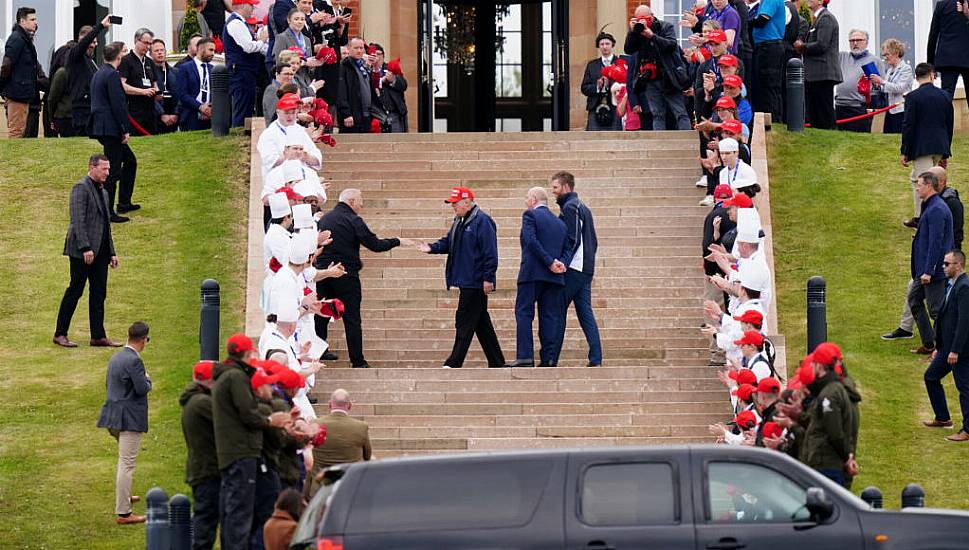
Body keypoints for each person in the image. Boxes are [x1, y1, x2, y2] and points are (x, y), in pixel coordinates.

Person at [212, 334, 293, 550]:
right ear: (248, 354)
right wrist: (270, 420)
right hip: (241, 451)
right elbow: (248, 413)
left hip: (233, 450)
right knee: (240, 512)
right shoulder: (236, 377)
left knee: (235, 511)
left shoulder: (225, 376)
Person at [418, 187, 506, 369]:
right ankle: (497, 362)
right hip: (465, 279)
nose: (453, 207)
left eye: (455, 203)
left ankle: (454, 361)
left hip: (475, 281)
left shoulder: (483, 221)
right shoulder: (459, 221)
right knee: (481, 323)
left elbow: (490, 253)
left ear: (467, 202)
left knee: (464, 320)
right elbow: (448, 242)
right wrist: (432, 247)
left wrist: (488, 277)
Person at [314, 189, 400, 368]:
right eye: (361, 201)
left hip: (322, 273)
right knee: (351, 317)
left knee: (320, 313)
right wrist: (396, 241)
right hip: (345, 274)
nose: (361, 205)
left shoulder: (325, 219)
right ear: (351, 201)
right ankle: (357, 360)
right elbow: (375, 245)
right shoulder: (353, 220)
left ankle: (318, 351)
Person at [54, 154, 121, 348]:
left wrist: (112, 252)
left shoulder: (104, 192)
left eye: (108, 169)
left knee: (99, 292)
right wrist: (85, 247)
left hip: (100, 251)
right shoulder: (80, 188)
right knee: (75, 290)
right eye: (104, 169)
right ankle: (60, 333)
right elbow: (77, 221)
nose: (107, 173)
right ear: (92, 167)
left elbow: (105, 225)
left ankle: (98, 336)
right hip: (81, 251)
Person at [507, 187, 570, 368]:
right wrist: (561, 263)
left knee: (524, 313)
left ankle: (525, 357)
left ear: (534, 199)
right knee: (549, 316)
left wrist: (549, 262)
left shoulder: (530, 216)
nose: (526, 202)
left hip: (532, 274)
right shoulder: (560, 223)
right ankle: (549, 358)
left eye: (527, 198)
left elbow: (530, 239)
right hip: (554, 277)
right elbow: (568, 248)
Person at [96, 321, 152, 525]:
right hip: (128, 419)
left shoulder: (116, 357)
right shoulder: (135, 361)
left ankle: (125, 497)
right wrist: (148, 379)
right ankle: (124, 513)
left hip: (112, 417)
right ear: (144, 340)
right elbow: (142, 388)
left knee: (123, 459)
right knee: (126, 463)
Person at [551, 172, 602, 367]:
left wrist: (564, 262)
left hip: (574, 268)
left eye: (555, 187)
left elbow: (573, 239)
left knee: (557, 311)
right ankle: (596, 357)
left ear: (565, 187)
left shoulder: (571, 207)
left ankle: (551, 358)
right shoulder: (583, 207)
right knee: (585, 313)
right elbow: (593, 241)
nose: (553, 192)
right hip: (585, 267)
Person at [87, 41, 137, 223]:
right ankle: (107, 211)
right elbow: (118, 105)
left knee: (130, 161)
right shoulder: (111, 75)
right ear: (118, 57)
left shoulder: (99, 73)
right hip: (111, 128)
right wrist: (124, 130)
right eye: (123, 53)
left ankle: (123, 202)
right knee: (113, 170)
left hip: (103, 126)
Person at [923, 250, 969, 442]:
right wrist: (939, 347)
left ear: (958, 265)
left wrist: (955, 350)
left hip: (960, 351)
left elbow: (964, 322)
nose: (943, 267)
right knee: (931, 376)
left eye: (947, 264)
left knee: (965, 388)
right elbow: (944, 319)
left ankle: (968, 430)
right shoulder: (952, 285)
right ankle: (943, 418)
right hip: (947, 348)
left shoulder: (964, 287)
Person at [908, 171, 955, 356]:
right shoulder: (931, 206)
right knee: (914, 300)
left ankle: (944, 350)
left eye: (919, 184)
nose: (917, 187)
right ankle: (930, 344)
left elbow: (937, 243)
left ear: (929, 186)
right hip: (925, 270)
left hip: (933, 271)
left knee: (937, 311)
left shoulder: (936, 209)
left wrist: (928, 271)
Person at [901, 63, 955, 224]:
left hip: (922, 147)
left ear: (916, 77)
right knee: (930, 181)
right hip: (940, 145)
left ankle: (924, 219)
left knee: (923, 183)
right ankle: (921, 217)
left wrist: (904, 151)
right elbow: (949, 124)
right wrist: (946, 151)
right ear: (932, 75)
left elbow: (908, 126)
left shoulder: (912, 97)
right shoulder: (945, 96)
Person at [624, 5, 692, 130]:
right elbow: (628, 49)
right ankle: (659, 143)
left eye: (646, 19)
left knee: (680, 112)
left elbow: (671, 45)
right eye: (640, 19)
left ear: (652, 16)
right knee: (657, 114)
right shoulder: (637, 32)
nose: (643, 22)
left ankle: (686, 143)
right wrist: (632, 32)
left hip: (669, 77)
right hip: (650, 78)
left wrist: (652, 36)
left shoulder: (665, 27)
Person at [800, 346, 856, 487]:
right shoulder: (832, 389)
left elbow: (835, 432)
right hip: (825, 462)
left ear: (819, 366)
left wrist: (847, 456)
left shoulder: (830, 393)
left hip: (826, 463)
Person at [180, 360, 221, 550]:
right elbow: (227, 420)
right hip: (207, 471)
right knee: (205, 524)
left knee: (206, 521)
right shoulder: (202, 403)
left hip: (204, 469)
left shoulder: (196, 400)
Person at [307, 389, 371, 497]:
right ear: (349, 405)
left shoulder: (315, 424)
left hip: (320, 486)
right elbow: (367, 455)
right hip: (349, 483)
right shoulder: (361, 427)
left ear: (329, 405)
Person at [0, 7, 47, 138]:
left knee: (20, 131)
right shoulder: (17, 39)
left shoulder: (24, 40)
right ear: (22, 21)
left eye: (35, 19)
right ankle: (12, 159)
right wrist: (2, 86)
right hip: (16, 94)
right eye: (32, 19)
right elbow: (6, 65)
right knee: (16, 132)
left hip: (23, 94)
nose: (35, 22)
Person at [794, 0, 840, 130]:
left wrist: (802, 46)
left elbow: (822, 44)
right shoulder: (819, 18)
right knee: (816, 109)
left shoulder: (826, 18)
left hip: (823, 73)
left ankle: (829, 134)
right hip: (816, 73)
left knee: (824, 109)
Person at [223, 0, 270, 127]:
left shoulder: (239, 22)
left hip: (245, 72)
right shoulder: (235, 23)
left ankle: (243, 134)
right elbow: (248, 47)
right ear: (243, 5)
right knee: (242, 108)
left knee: (247, 107)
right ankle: (238, 137)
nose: (253, 9)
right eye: (251, 5)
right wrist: (261, 40)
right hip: (241, 72)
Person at [257, 92, 322, 181]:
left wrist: (305, 156)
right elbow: (269, 161)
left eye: (293, 112)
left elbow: (316, 158)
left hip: (301, 180)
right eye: (286, 113)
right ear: (278, 112)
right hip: (278, 182)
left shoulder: (301, 131)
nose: (290, 116)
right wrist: (288, 155)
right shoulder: (269, 134)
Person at [68, 16, 114, 137]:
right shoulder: (74, 55)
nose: (95, 45)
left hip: (93, 107)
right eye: (92, 42)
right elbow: (84, 44)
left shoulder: (91, 61)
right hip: (81, 109)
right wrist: (100, 26)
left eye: (96, 42)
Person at [834, 29, 881, 133]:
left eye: (859, 40)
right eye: (852, 40)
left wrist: (872, 108)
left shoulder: (873, 61)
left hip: (859, 107)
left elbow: (877, 88)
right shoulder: (842, 57)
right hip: (840, 105)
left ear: (866, 42)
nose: (855, 43)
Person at [927, 0, 969, 110]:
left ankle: (945, 127)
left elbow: (933, 35)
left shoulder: (942, 5)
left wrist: (930, 64)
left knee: (946, 100)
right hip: (967, 57)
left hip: (947, 59)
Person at [749, 0, 786, 121]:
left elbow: (761, 21)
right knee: (763, 86)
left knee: (769, 86)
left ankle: (774, 120)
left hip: (769, 46)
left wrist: (745, 21)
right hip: (765, 46)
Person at [119, 28, 158, 135]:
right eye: (146, 43)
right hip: (133, 111)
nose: (148, 47)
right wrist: (143, 91)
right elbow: (122, 85)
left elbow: (155, 84)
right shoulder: (126, 61)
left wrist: (158, 92)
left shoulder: (150, 62)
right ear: (136, 40)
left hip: (150, 111)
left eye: (150, 44)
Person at [869, 38, 913, 135]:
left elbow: (900, 88)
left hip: (901, 110)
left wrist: (882, 81)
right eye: (883, 55)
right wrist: (877, 84)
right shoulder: (889, 70)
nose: (885, 58)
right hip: (889, 109)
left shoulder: (906, 68)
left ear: (896, 53)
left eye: (887, 54)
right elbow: (887, 88)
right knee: (887, 138)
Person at [582, 31, 622, 131]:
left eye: (607, 44)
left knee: (615, 139)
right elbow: (584, 88)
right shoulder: (592, 65)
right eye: (602, 44)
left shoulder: (620, 63)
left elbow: (625, 85)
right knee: (593, 140)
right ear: (599, 46)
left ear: (612, 45)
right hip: (595, 106)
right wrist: (597, 86)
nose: (605, 47)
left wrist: (610, 85)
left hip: (615, 106)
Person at [337, 37, 378, 133]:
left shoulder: (363, 65)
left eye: (361, 48)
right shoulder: (344, 66)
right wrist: (346, 113)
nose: (359, 51)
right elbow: (341, 92)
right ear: (349, 49)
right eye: (356, 48)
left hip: (366, 114)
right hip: (352, 116)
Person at [176, 37, 216, 131]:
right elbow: (182, 94)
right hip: (191, 116)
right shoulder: (185, 68)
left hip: (210, 117)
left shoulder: (213, 69)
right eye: (210, 50)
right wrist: (200, 107)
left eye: (214, 50)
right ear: (201, 49)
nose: (213, 53)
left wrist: (210, 107)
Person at [375, 48, 409, 133]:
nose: (377, 57)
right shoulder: (368, 69)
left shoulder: (391, 67)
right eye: (374, 55)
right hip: (376, 114)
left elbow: (403, 85)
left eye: (379, 54)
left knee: (397, 139)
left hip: (393, 112)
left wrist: (393, 80)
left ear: (383, 56)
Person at [150, 39, 179, 134]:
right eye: (156, 51)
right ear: (150, 54)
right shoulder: (148, 73)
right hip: (156, 119)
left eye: (162, 50)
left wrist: (176, 113)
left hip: (175, 117)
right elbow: (149, 96)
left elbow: (181, 94)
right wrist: (161, 114)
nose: (160, 53)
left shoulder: (176, 72)